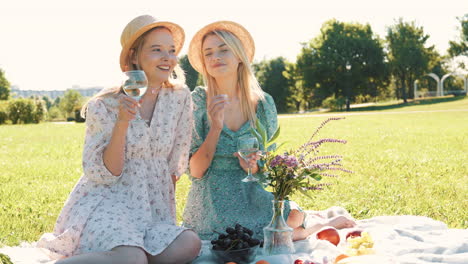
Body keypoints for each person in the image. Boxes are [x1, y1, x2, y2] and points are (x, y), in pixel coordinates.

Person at [37, 15, 200, 264]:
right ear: (134, 56)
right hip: (108, 203)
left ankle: (129, 256)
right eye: (157, 49)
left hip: (152, 210)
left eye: (172, 50)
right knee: (132, 259)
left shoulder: (180, 98)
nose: (168, 57)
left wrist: (165, 220)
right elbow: (105, 173)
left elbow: (172, 169)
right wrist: (123, 121)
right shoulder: (105, 105)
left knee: (190, 244)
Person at [182, 21, 356, 242]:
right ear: (205, 64)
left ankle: (312, 225)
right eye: (208, 53)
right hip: (213, 198)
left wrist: (253, 166)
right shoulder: (197, 102)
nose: (215, 56)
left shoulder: (263, 104)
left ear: (239, 56)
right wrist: (215, 127)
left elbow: (265, 168)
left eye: (223, 49)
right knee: (241, 235)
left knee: (292, 217)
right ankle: (315, 227)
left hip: (253, 192)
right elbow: (195, 171)